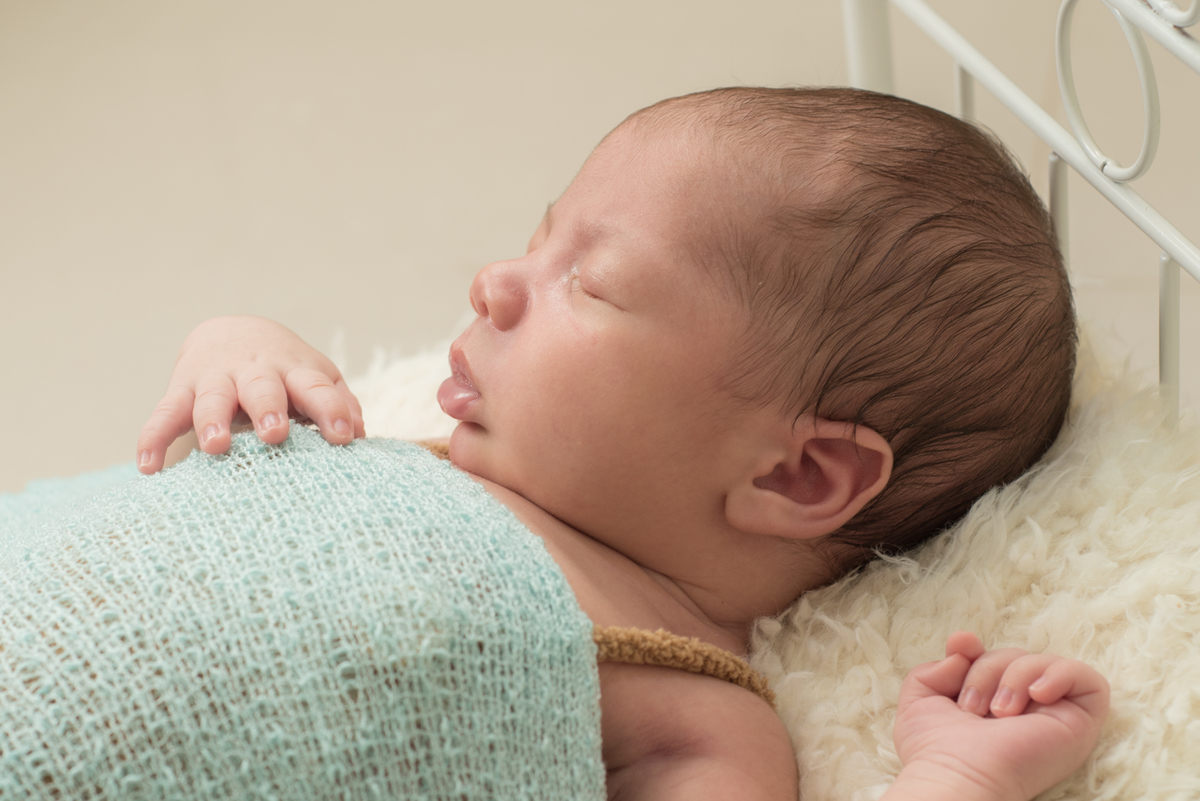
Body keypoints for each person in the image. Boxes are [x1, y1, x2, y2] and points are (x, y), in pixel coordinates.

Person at [135, 87, 1108, 801]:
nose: (493, 282)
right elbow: (184, 515)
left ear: (796, 474)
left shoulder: (704, 727)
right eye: (539, 238)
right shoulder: (397, 450)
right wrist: (234, 348)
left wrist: (954, 776)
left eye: (589, 283)